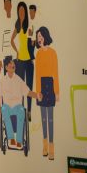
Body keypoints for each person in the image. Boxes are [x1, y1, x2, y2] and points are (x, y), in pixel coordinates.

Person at [0, 59, 39, 149]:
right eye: (11, 64)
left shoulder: (19, 80)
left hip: (17, 106)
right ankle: (11, 138)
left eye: (14, 64)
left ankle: (19, 140)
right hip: (7, 106)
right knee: (3, 109)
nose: (13, 66)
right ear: (7, 67)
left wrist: (37, 95)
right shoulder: (2, 81)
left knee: (21, 110)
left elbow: (28, 92)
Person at [34, 26, 59, 161]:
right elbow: (37, 74)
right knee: (43, 118)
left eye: (40, 36)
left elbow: (55, 73)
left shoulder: (53, 53)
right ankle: (44, 146)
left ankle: (51, 148)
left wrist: (57, 91)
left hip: (50, 85)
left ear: (45, 36)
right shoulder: (38, 54)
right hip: (41, 86)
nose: (39, 39)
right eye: (37, 37)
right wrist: (38, 91)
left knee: (50, 119)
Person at [10, 1, 34, 120]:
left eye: (23, 10)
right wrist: (17, 52)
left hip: (29, 61)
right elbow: (11, 40)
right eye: (19, 11)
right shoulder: (17, 26)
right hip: (20, 61)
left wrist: (31, 37)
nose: (21, 13)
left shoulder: (28, 25)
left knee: (29, 88)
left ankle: (29, 111)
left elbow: (31, 43)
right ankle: (20, 111)